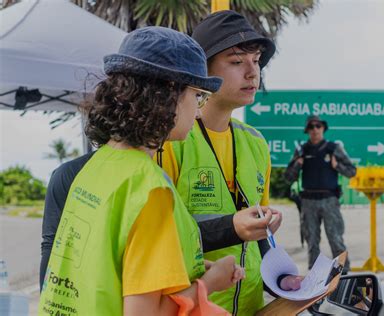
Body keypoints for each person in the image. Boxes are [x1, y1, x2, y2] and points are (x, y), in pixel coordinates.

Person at [38, 26, 245, 315]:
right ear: (169, 95)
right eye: (197, 96)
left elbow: (108, 265)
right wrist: (211, 281)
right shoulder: (149, 190)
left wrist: (190, 266)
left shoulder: (95, 167)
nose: (198, 112)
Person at [160, 10, 300, 315]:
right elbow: (159, 239)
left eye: (256, 60)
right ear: (202, 71)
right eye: (237, 62)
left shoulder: (255, 143)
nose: (252, 72)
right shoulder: (171, 142)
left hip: (251, 307)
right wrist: (232, 228)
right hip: (193, 307)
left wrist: (283, 280)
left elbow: (259, 240)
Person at [285, 115, 356, 271]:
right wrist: (298, 164)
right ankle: (315, 278)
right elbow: (288, 177)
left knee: (336, 239)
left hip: (329, 200)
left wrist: (337, 166)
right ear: (307, 130)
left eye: (318, 126)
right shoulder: (302, 150)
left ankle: (343, 275)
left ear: (323, 128)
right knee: (312, 242)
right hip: (308, 202)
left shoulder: (333, 148)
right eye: (311, 127)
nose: (315, 129)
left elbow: (352, 171)